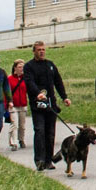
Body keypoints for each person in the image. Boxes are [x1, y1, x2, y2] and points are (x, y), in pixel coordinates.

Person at [23, 41, 68, 170]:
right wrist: (37, 93)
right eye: (39, 50)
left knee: (50, 133)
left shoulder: (50, 65)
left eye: (43, 49)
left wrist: (64, 97)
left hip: (50, 104)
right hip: (37, 104)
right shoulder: (29, 66)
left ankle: (49, 160)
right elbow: (29, 82)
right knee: (40, 131)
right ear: (34, 51)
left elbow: (58, 82)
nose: (41, 52)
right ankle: (39, 160)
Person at [6, 59, 29, 150]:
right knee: (14, 124)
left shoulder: (26, 78)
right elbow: (6, 91)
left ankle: (21, 139)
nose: (21, 69)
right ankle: (13, 142)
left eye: (23, 67)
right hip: (13, 105)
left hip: (23, 104)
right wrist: (8, 102)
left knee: (22, 125)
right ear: (15, 68)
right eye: (19, 67)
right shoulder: (10, 79)